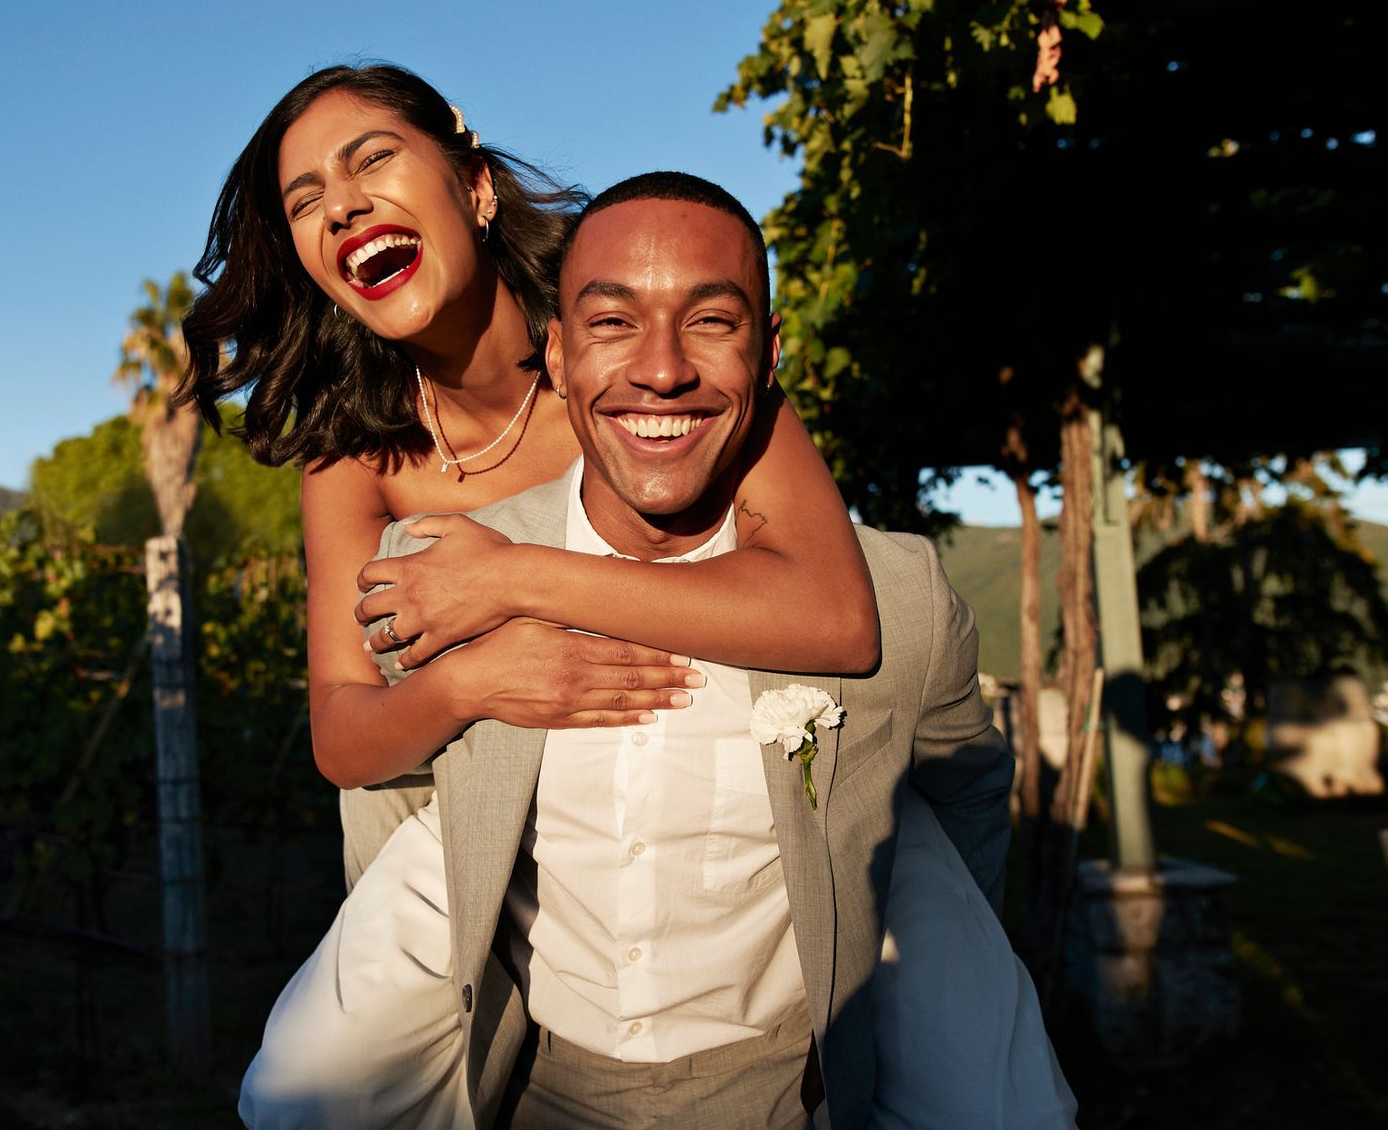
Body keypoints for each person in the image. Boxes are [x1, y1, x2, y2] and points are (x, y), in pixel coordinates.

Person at [181, 68, 1070, 1127]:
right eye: (305, 198)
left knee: (952, 1014)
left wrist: (510, 576)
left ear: (474, 187)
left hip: (740, 735)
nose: (342, 203)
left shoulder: (637, 326)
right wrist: (474, 677)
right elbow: (345, 733)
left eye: (372, 158)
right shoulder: (352, 453)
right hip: (472, 793)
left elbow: (835, 612)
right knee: (323, 1077)